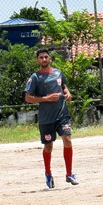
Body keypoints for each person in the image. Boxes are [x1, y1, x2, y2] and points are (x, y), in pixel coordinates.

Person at [24, 48, 78, 189]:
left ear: (50, 59)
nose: (44, 59)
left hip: (62, 114)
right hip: (46, 119)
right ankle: (48, 173)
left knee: (67, 139)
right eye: (41, 57)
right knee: (48, 146)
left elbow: (63, 86)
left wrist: (68, 93)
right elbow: (28, 97)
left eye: (46, 57)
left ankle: (69, 174)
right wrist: (46, 98)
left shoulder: (58, 73)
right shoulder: (35, 77)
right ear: (37, 60)